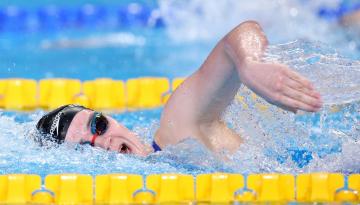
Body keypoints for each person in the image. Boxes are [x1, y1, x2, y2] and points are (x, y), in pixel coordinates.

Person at [36, 21, 323, 156]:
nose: (103, 141)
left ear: (113, 119)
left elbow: (239, 35)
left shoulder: (178, 130)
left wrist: (250, 64)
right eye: (85, 148)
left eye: (98, 126)